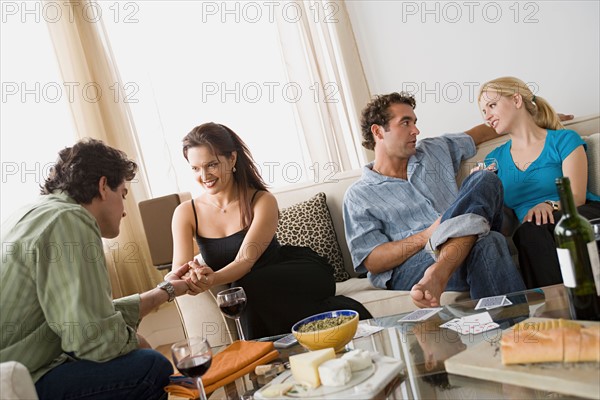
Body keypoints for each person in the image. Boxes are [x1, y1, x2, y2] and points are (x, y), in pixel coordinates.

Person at [0, 138, 199, 400]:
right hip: (23, 378)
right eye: (123, 195)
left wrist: (168, 289)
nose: (125, 212)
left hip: (19, 369)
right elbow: (94, 340)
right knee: (151, 367)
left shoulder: (38, 212)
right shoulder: (71, 220)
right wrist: (136, 341)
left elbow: (88, 319)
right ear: (104, 186)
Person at [171, 122, 371, 340]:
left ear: (232, 159)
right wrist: (191, 276)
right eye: (195, 168)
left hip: (297, 272)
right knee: (244, 290)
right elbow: (178, 270)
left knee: (241, 289)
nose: (204, 175)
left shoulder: (261, 200)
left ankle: (260, 355)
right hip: (256, 291)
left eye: (212, 165)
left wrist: (213, 278)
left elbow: (244, 262)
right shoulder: (185, 212)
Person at [343, 92, 526, 309]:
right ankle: (518, 337)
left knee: (485, 178)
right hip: (413, 266)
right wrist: (426, 236)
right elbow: (372, 260)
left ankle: (439, 272)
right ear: (378, 131)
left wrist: (532, 122)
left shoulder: (434, 150)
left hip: (445, 259)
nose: (416, 130)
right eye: (405, 122)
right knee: (489, 241)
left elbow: (479, 133)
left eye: (415, 122)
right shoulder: (358, 195)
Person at [477, 76, 600, 288]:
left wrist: (548, 205)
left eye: (492, 105)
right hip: (535, 230)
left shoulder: (564, 140)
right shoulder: (493, 160)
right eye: (483, 111)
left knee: (534, 230)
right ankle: (558, 310)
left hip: (579, 214)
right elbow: (505, 227)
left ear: (516, 100)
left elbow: (577, 196)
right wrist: (482, 189)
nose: (487, 117)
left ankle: (557, 313)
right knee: (529, 232)